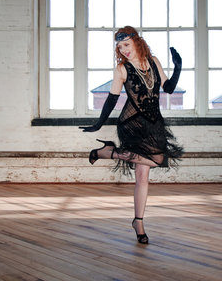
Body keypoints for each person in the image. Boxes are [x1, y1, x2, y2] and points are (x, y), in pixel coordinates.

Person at [79, 26, 184, 244]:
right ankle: (140, 222)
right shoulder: (121, 69)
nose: (123, 49)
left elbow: (170, 88)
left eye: (126, 44)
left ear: (136, 41)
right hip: (132, 123)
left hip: (154, 123)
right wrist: (99, 123)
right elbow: (111, 99)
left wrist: (178, 67)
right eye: (119, 46)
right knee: (142, 176)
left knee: (157, 161)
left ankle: (110, 152)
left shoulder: (153, 61)